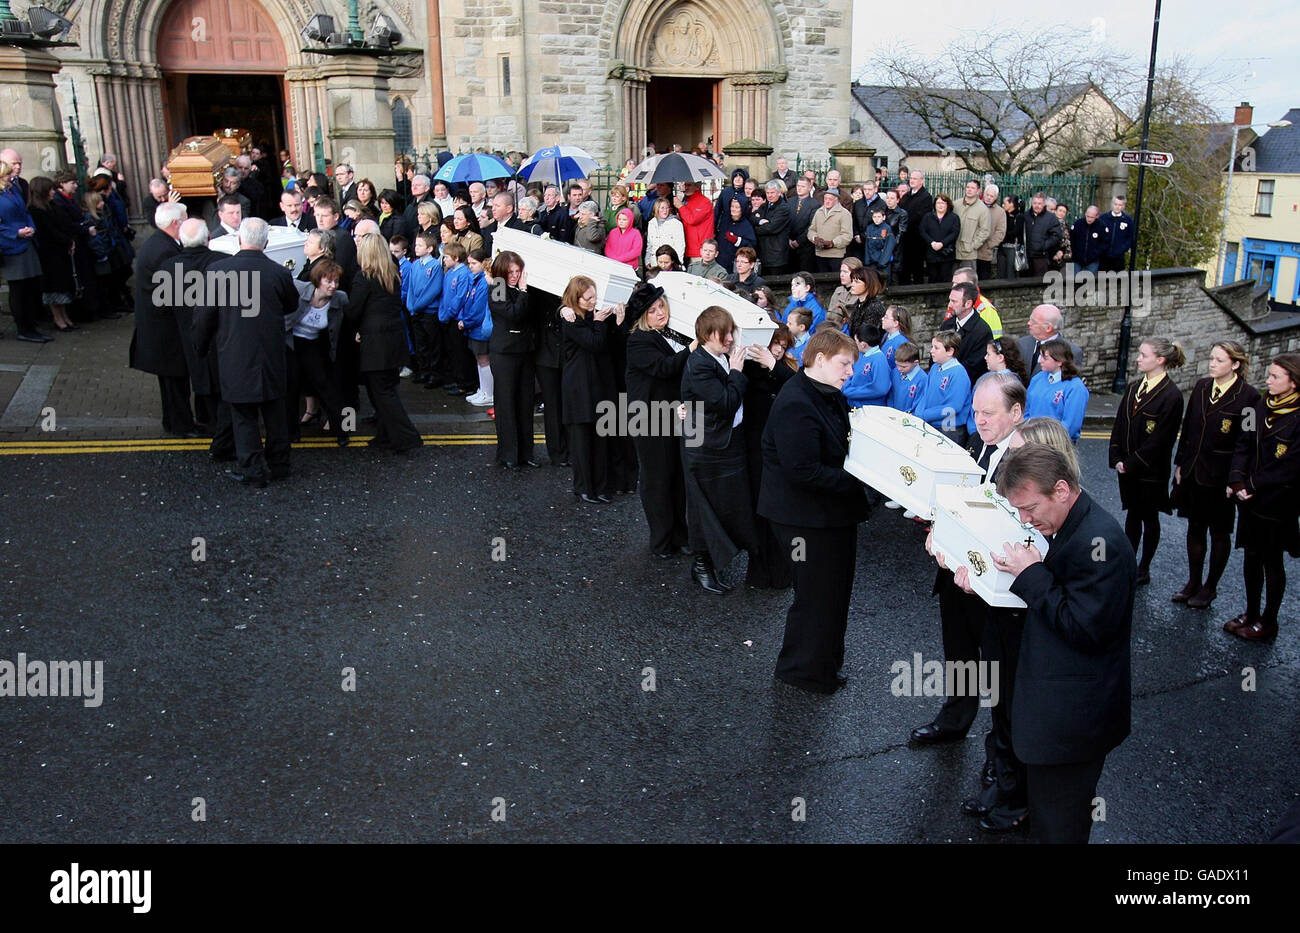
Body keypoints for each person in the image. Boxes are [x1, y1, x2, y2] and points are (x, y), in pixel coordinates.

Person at [989, 443, 1135, 844]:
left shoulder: (1099, 544)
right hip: (1060, 719)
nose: (1026, 520)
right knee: (1049, 820)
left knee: (1060, 829)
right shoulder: (1072, 525)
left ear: (1062, 490)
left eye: (1030, 509)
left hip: (1074, 727)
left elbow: (1085, 629)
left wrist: (1032, 572)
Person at [922, 372, 1028, 831]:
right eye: (977, 412)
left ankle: (1000, 764)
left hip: (994, 588)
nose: (979, 421)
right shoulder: (985, 444)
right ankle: (955, 718)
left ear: (1016, 413)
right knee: (960, 652)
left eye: (989, 414)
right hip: (958, 575)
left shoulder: (1024, 460)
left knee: (1000, 676)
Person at [758, 328, 867, 692]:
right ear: (819, 360)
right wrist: (860, 482)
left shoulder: (823, 391)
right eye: (845, 364)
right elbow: (802, 470)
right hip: (802, 518)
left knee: (833, 593)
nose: (850, 372)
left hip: (826, 514)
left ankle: (822, 665)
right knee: (817, 595)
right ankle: (803, 671)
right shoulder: (796, 403)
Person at [194, 218, 299, 486]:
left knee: (243, 415)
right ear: (266, 242)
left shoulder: (218, 271)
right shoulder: (279, 273)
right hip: (271, 353)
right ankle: (279, 464)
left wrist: (200, 348)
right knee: (275, 411)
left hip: (234, 353)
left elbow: (203, 318)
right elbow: (290, 305)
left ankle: (252, 468)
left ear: (239, 239)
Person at [1171, 341, 1261, 611]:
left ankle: (1210, 587)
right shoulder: (1201, 387)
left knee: (1219, 533)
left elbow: (1248, 442)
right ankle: (1193, 582)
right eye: (1211, 358)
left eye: (1219, 360)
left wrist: (1237, 479)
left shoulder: (1249, 397)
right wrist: (1179, 464)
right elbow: (1188, 429)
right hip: (1194, 472)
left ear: (1235, 364)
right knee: (1194, 528)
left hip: (1221, 479)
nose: (1212, 364)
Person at [680, 306, 759, 593]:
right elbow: (725, 403)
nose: (730, 339)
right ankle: (702, 567)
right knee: (705, 509)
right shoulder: (700, 363)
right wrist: (737, 373)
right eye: (724, 334)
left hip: (722, 443)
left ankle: (713, 560)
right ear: (707, 334)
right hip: (706, 448)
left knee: (726, 505)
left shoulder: (717, 356)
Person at [1224, 352, 1300, 641]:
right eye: (1269, 375)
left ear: (1292, 383)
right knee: (1251, 557)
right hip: (1249, 499)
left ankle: (1269, 621)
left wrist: (1252, 484)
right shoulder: (1258, 407)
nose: (1268, 380)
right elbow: (1242, 444)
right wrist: (1236, 478)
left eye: (1275, 377)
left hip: (1276, 502)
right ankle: (1251, 612)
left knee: (1271, 560)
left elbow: (1291, 465)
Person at [1109, 336, 1186, 585]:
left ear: (1160, 360)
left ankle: (1144, 567)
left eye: (1143, 355)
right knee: (1132, 516)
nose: (1138, 359)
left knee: (1149, 518)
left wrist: (1131, 463)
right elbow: (1120, 424)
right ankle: (1130, 562)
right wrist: (1117, 457)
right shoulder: (1133, 387)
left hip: (1150, 471)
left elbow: (1161, 440)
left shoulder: (1171, 395)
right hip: (1128, 468)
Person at [624, 281, 692, 556]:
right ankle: (662, 541)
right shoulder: (638, 340)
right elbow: (665, 368)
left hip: (671, 416)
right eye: (652, 310)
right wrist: (693, 348)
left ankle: (679, 535)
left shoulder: (669, 334)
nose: (660, 313)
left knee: (676, 477)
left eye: (661, 306)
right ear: (643, 317)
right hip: (648, 418)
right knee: (657, 480)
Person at [345, 233, 422, 454]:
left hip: (375, 343)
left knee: (382, 393)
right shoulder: (391, 273)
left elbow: (353, 310)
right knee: (386, 389)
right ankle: (386, 435)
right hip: (393, 339)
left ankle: (407, 436)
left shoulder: (364, 277)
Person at [130, 201, 197, 436]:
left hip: (158, 327)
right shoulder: (165, 250)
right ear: (176, 223)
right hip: (165, 330)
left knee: (171, 382)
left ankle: (174, 421)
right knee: (175, 381)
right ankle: (181, 425)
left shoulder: (160, 243)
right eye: (186, 218)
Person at [742, 327, 798, 589]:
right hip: (754, 447)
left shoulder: (787, 367)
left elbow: (798, 388)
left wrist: (775, 364)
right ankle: (759, 571)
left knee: (778, 512)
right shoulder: (749, 368)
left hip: (779, 449)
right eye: (776, 343)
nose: (779, 349)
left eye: (784, 345)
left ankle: (781, 570)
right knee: (758, 510)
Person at [560, 275, 619, 502]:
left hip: (596, 383)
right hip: (578, 386)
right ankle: (583, 486)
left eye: (595, 296)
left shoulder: (587, 315)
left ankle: (601, 486)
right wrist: (599, 323)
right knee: (581, 441)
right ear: (576, 298)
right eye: (588, 298)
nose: (594, 301)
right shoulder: (571, 319)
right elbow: (594, 343)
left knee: (599, 438)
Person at [285, 258, 349, 447]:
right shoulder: (299, 289)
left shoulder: (340, 298)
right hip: (291, 342)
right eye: (328, 281)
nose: (333, 286)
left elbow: (352, 317)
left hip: (313, 344)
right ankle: (291, 433)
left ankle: (344, 430)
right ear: (318, 280)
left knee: (327, 386)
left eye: (336, 281)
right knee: (290, 388)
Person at [487, 250, 538, 467]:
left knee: (525, 403)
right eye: (511, 272)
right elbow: (513, 314)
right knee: (506, 403)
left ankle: (526, 453)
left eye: (518, 271)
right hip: (505, 352)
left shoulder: (519, 288)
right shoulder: (498, 287)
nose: (515, 276)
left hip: (524, 350)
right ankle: (509, 455)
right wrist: (524, 292)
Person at [1, 159, 50, 342]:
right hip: (11, 246)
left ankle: (31, 324)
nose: (11, 175)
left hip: (26, 242)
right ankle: (23, 328)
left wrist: (30, 227)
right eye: (7, 173)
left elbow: (25, 212)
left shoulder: (13, 190)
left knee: (31, 287)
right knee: (19, 289)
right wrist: (16, 232)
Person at [27, 176, 78, 333]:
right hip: (49, 253)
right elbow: (48, 232)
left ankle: (64, 314)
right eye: (49, 189)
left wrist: (69, 240)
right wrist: (66, 240)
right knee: (54, 286)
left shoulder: (53, 206)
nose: (53, 191)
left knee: (62, 284)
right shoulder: (35, 210)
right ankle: (58, 317)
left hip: (60, 250)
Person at [1025, 338, 1089, 442]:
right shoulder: (1038, 378)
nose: (1040, 361)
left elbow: (1070, 425)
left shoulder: (1075, 388)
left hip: (1057, 445)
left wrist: (1047, 440)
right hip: (1031, 441)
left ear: (1059, 362)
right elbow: (1027, 410)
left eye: (1045, 358)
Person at [917, 332, 972, 445]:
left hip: (949, 430)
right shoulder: (934, 368)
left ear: (950, 351)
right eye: (932, 347)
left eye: (936, 348)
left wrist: (925, 415)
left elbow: (953, 407)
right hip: (930, 424)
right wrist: (918, 413)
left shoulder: (958, 374)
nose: (931, 351)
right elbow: (925, 394)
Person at [937, 281, 991, 384]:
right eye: (950, 300)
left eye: (954, 301)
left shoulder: (982, 331)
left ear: (968, 304)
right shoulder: (947, 325)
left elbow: (975, 367)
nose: (949, 305)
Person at [1018, 304, 1083, 376]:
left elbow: (1069, 381)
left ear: (1048, 328)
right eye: (1030, 319)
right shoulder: (1021, 343)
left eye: (1034, 322)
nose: (1029, 323)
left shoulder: (1072, 352)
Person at [842, 323, 891, 408]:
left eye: (856, 341)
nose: (854, 343)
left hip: (869, 409)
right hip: (854, 404)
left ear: (863, 344)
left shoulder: (879, 360)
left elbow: (880, 389)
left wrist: (850, 392)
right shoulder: (861, 354)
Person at [899, 170, 933, 284]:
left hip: (917, 238)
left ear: (922, 181)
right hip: (905, 237)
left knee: (917, 267)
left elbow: (919, 216)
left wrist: (905, 222)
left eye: (915, 179)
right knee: (904, 267)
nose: (912, 180)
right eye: (911, 178)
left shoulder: (926, 197)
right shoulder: (907, 195)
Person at [808, 188, 853, 274]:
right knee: (822, 280)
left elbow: (847, 235)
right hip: (819, 253)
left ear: (836, 200)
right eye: (825, 198)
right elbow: (811, 230)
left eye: (830, 199)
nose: (827, 201)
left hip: (836, 255)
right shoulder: (819, 212)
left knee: (835, 280)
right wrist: (814, 238)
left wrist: (832, 243)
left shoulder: (844, 214)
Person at [753, 181, 793, 275]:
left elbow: (770, 228)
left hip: (776, 256)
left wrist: (754, 230)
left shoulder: (783, 208)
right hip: (763, 253)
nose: (769, 195)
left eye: (772, 193)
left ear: (779, 193)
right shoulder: (765, 205)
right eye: (767, 193)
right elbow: (752, 216)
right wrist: (759, 221)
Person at [920, 193, 960, 283]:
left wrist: (942, 243)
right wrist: (932, 242)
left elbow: (954, 233)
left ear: (948, 205)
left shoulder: (954, 218)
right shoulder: (928, 217)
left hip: (946, 254)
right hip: (932, 254)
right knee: (932, 278)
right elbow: (922, 231)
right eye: (938, 203)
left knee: (945, 279)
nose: (940, 205)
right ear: (934, 205)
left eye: (943, 203)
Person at [954, 180, 991, 272]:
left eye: (972, 188)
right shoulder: (956, 204)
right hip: (953, 250)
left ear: (978, 191)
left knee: (968, 281)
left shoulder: (983, 209)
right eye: (968, 187)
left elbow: (984, 230)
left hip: (969, 253)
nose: (969, 190)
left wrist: (973, 246)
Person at [1023, 192, 1061, 278]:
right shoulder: (1026, 215)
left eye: (1039, 203)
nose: (1037, 206)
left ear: (1044, 204)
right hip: (1027, 256)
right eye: (1035, 203)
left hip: (1041, 257)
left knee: (1040, 284)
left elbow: (1056, 236)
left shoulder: (1051, 217)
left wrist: (1044, 246)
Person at [714, 197, 756, 274]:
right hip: (720, 260)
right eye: (732, 206)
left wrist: (737, 240)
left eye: (737, 207)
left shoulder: (746, 225)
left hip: (735, 264)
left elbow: (751, 245)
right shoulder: (724, 220)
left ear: (742, 209)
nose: (733, 209)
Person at [787, 175, 820, 274]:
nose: (799, 188)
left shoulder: (815, 204)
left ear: (810, 187)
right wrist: (789, 239)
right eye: (798, 186)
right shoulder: (790, 201)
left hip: (805, 247)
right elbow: (785, 222)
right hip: (789, 245)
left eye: (803, 186)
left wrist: (799, 241)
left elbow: (812, 226)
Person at [675, 181, 715, 262]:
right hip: (687, 247)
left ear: (697, 187)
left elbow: (692, 219)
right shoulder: (686, 200)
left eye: (689, 185)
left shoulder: (704, 202)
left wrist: (680, 207)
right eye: (685, 185)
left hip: (698, 250)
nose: (686, 188)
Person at [643, 197, 685, 271]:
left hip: (670, 263)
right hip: (655, 262)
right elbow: (650, 244)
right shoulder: (651, 223)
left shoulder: (676, 224)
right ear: (657, 209)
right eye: (662, 208)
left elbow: (680, 245)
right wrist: (647, 260)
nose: (665, 211)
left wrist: (679, 262)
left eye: (667, 208)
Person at [976, 184, 1007, 280]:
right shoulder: (976, 206)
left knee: (983, 279)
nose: (988, 198)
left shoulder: (1000, 212)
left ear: (996, 197)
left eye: (991, 196)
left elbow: (1000, 232)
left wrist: (990, 245)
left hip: (986, 252)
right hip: (971, 251)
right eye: (987, 195)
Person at [889, 341, 927, 414]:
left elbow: (918, 405)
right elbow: (891, 394)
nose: (899, 369)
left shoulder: (923, 379)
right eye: (897, 365)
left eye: (903, 366)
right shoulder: (895, 372)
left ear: (915, 363)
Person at [1070, 205, 1109, 276]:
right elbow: (1072, 239)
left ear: (1097, 216)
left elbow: (1105, 243)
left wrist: (1096, 254)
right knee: (1075, 282)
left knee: (1088, 283)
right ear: (1085, 214)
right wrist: (1075, 254)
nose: (1089, 219)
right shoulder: (1078, 224)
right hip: (1077, 261)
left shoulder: (1101, 226)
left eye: (1092, 217)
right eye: (1088, 216)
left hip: (1093, 261)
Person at [1099, 195, 1134, 272]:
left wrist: (1122, 249)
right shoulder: (1103, 218)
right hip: (1103, 257)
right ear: (1112, 204)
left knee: (1116, 282)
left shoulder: (1128, 220)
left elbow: (1130, 238)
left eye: (1120, 205)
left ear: (1124, 206)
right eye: (1116, 204)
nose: (1117, 207)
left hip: (1119, 258)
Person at [604, 207, 643, 272]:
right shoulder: (613, 232)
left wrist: (620, 259)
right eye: (619, 219)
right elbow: (608, 248)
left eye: (624, 220)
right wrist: (614, 259)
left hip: (629, 267)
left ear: (630, 220)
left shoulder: (636, 233)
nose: (621, 221)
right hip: (614, 265)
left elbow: (636, 251)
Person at [826, 257, 862, 325]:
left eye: (845, 272)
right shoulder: (838, 290)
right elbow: (830, 314)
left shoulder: (860, 294)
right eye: (841, 271)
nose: (841, 275)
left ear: (855, 274)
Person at [863, 205, 895, 279]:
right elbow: (867, 245)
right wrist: (867, 260)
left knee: (884, 280)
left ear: (884, 217)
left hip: (883, 262)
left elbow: (888, 247)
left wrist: (883, 262)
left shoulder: (887, 228)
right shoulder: (869, 228)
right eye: (874, 217)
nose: (876, 219)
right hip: (872, 261)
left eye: (879, 217)